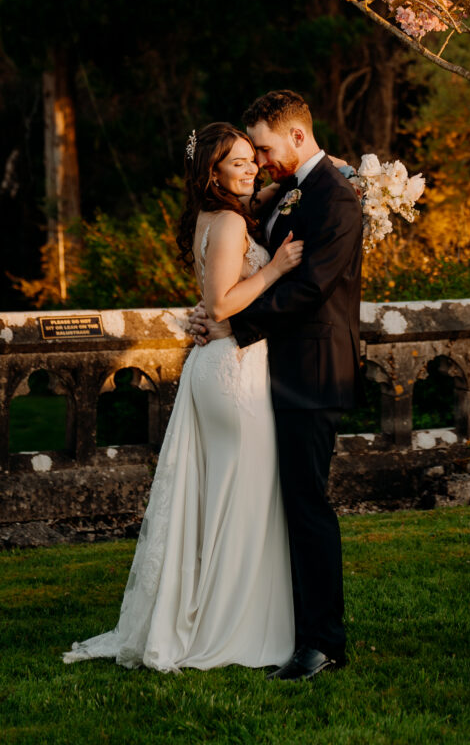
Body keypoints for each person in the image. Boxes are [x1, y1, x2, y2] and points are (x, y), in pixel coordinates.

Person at [63, 122, 302, 672]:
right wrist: (276, 269)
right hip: (231, 373)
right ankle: (224, 625)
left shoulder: (221, 216)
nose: (250, 169)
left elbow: (270, 193)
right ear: (211, 171)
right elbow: (219, 305)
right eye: (237, 162)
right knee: (237, 499)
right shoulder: (225, 225)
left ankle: (216, 610)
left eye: (251, 159)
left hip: (223, 366)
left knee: (224, 497)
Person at [190, 89, 363, 682]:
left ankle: (323, 643)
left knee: (307, 507)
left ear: (295, 136)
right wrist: (219, 314)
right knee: (287, 504)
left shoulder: (335, 199)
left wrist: (230, 325)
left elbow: (310, 287)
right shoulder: (296, 189)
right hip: (274, 370)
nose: (259, 160)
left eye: (263, 147)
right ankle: (282, 626)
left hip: (312, 374)